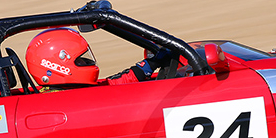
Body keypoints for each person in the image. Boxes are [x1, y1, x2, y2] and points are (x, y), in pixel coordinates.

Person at [24, 27, 171, 91]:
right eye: (81, 60)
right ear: (59, 64)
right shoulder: (64, 101)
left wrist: (150, 64)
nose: (87, 62)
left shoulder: (73, 91)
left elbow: (113, 85)